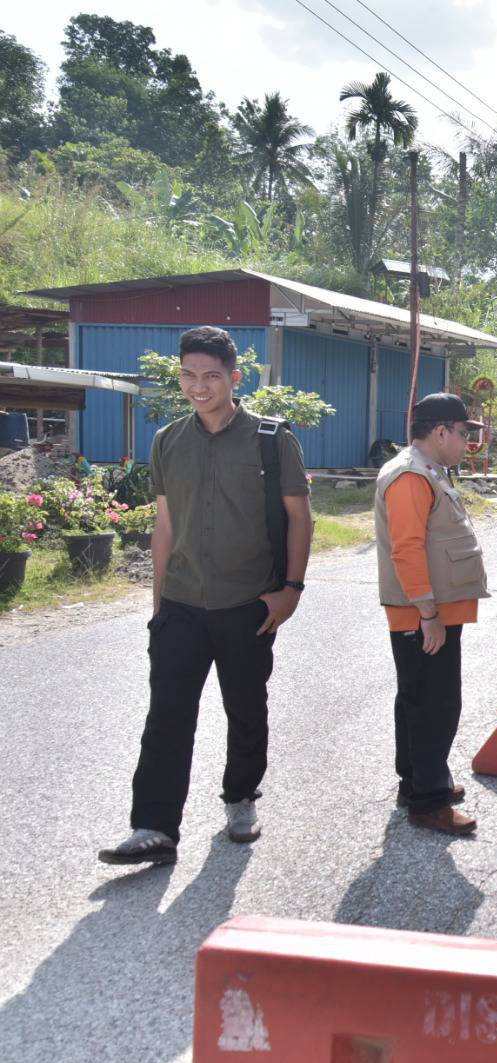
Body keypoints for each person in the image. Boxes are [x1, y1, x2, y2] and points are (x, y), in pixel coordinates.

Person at [99, 326, 313, 866]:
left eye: (211, 376)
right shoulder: (168, 439)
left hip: (249, 602)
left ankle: (241, 798)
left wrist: (290, 591)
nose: (199, 386)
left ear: (234, 378)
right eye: (189, 375)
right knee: (167, 716)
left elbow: (298, 517)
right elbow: (165, 526)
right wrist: (158, 608)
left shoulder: (271, 439)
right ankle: (154, 826)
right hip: (182, 604)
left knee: (245, 708)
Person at [374, 393, 490, 836]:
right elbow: (406, 549)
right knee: (434, 705)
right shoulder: (410, 476)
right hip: (422, 614)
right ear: (441, 431)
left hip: (431, 611)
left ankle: (419, 780)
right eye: (463, 434)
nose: (466, 443)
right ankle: (428, 801)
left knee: (418, 700)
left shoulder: (428, 470)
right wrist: (427, 612)